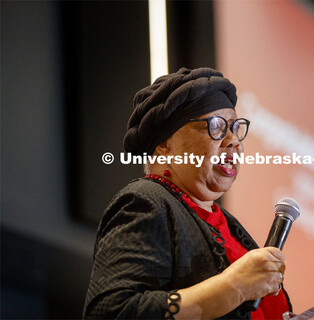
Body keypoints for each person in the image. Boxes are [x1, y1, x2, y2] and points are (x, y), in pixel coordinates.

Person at [83, 67, 292, 319]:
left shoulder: (226, 224)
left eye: (235, 128)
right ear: (165, 144)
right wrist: (233, 286)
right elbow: (112, 312)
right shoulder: (145, 201)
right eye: (216, 126)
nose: (233, 141)